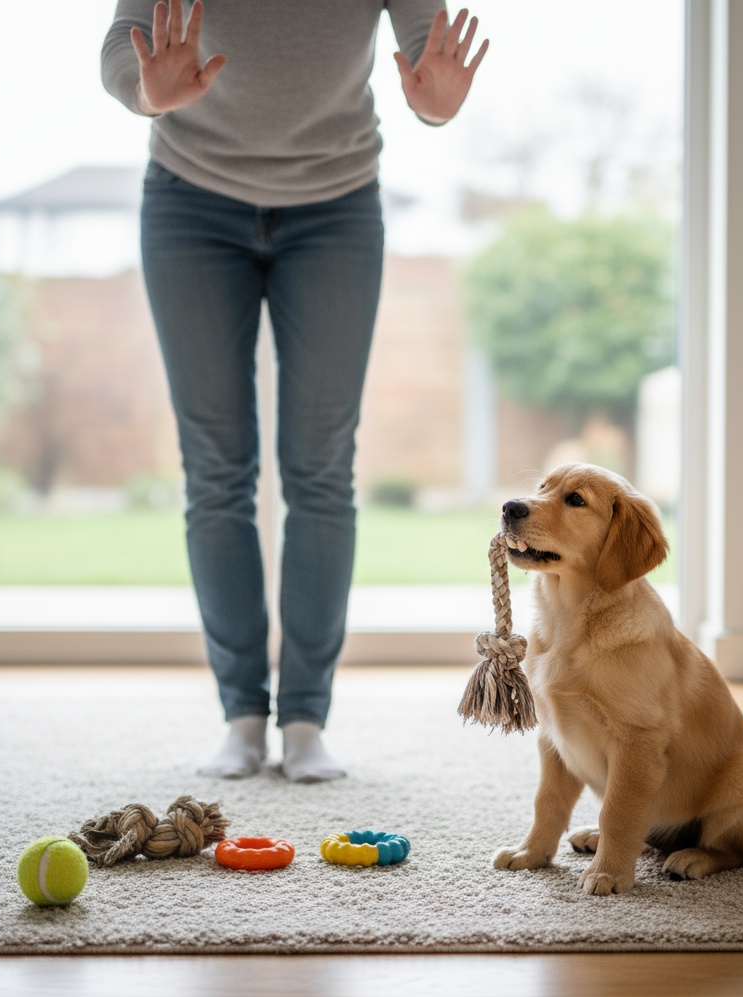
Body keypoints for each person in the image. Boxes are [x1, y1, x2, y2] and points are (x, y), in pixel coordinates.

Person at [101, 0, 487, 780]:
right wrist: (147, 93)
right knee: (217, 470)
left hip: (336, 205)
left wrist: (438, 107)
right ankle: (242, 714)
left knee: (320, 470)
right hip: (189, 200)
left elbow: (428, 55)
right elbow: (121, 45)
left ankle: (305, 718)